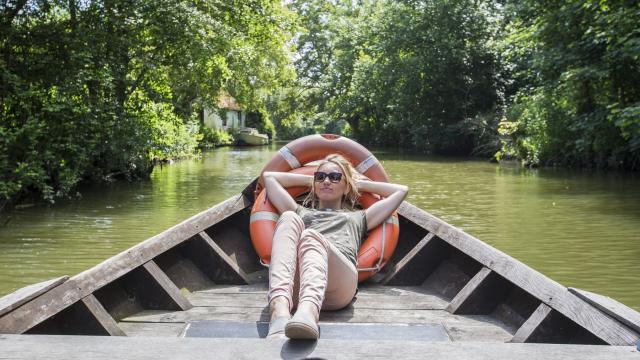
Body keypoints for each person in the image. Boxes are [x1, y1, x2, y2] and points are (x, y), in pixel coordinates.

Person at [262, 154, 408, 339]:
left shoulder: (359, 218)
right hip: (297, 289)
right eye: (321, 177)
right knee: (289, 217)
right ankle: (279, 311)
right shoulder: (302, 212)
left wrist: (356, 183)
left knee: (311, 236)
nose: (327, 181)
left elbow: (401, 191)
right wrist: (312, 179)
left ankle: (310, 312)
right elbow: (269, 178)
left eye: (335, 177)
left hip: (338, 288)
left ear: (346, 185)